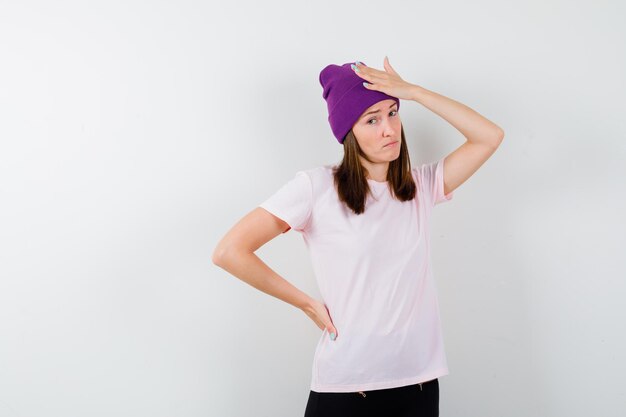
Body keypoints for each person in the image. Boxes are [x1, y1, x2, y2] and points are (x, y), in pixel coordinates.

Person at [212, 57, 504, 417]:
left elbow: (489, 137)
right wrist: (305, 303)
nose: (389, 129)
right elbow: (230, 251)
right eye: (372, 119)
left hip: (419, 385)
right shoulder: (317, 188)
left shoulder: (419, 187)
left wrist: (413, 92)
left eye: (392, 113)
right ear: (349, 132)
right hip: (349, 390)